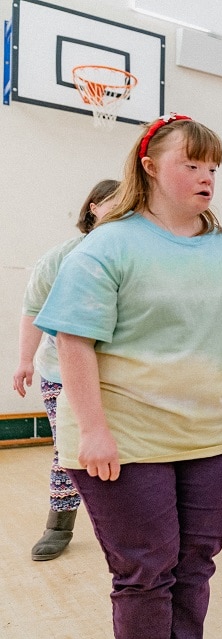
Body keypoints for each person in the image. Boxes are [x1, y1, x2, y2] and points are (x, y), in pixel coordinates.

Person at [33, 113, 222, 639]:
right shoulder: (108, 246)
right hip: (124, 439)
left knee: (196, 560)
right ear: (148, 167)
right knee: (146, 569)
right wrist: (93, 430)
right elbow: (74, 342)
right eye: (190, 163)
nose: (206, 176)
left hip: (213, 438)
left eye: (213, 166)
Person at [12, 179, 119, 561]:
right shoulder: (60, 257)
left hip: (120, 377)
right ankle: (59, 524)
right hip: (62, 371)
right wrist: (24, 361)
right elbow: (33, 310)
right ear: (93, 208)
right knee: (68, 449)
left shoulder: (135, 254)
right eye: (114, 202)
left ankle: (127, 525)